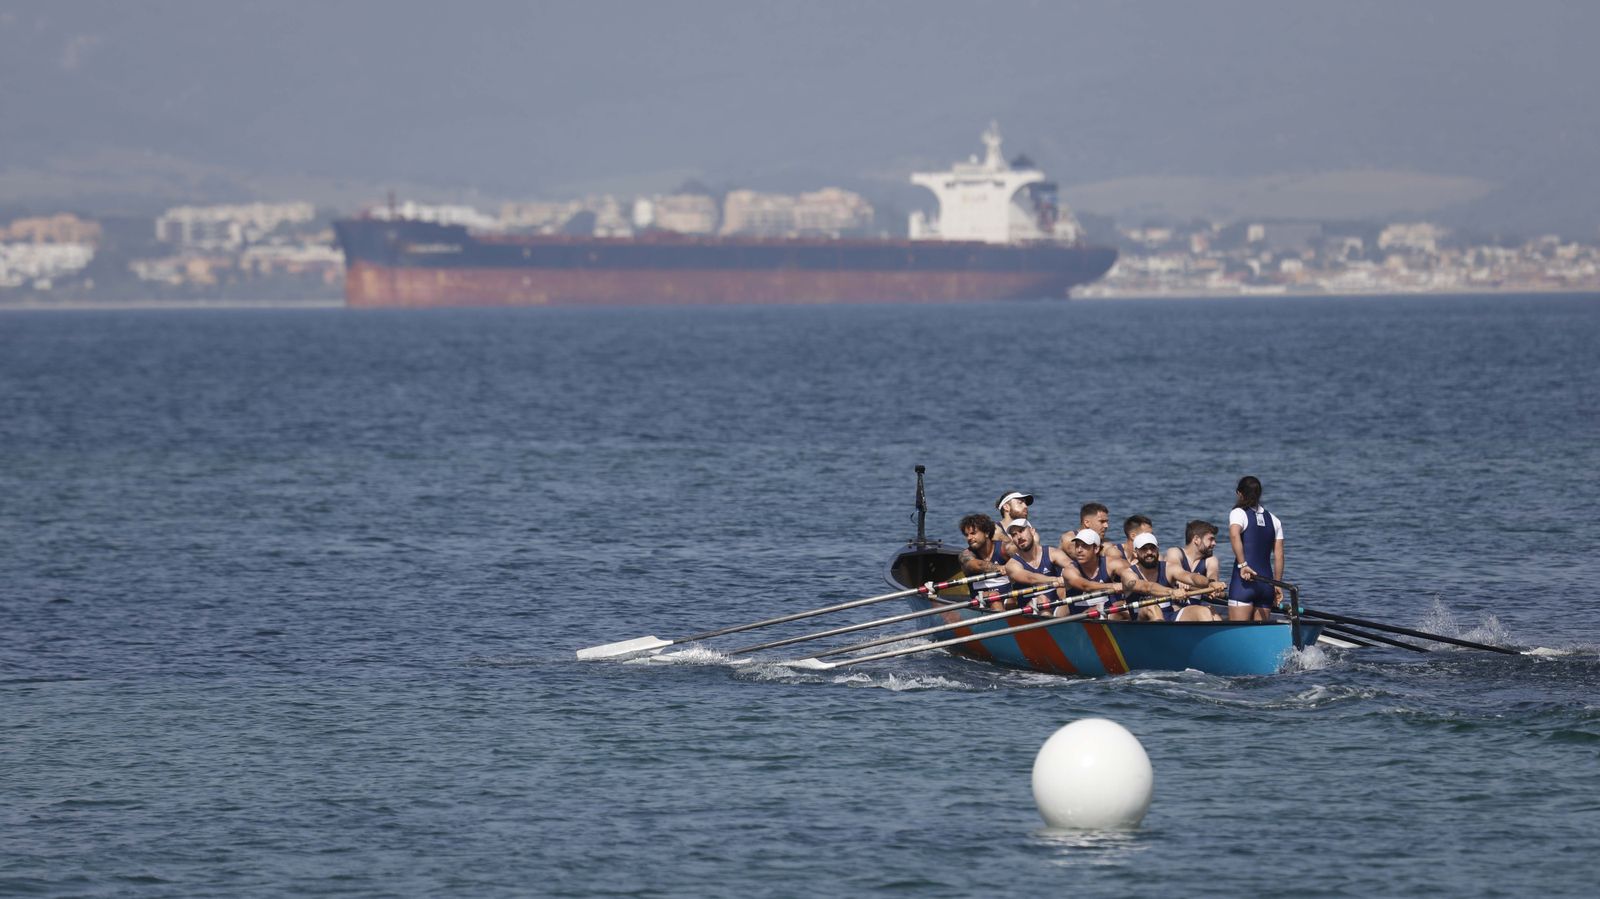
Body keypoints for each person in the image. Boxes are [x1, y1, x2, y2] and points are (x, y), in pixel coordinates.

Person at [1124, 532, 1218, 622]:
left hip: (1169, 617)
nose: (1149, 552)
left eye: (1152, 548)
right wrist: (1171, 592)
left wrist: (1209, 583)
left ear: (1157, 549)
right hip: (1141, 620)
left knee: (1203, 611)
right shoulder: (1128, 574)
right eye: (1144, 549)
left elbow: (1191, 577)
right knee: (1151, 606)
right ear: (1135, 553)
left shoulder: (1169, 568)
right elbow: (1147, 587)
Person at [1228, 475, 1284, 622]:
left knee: (1238, 632)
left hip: (1244, 583)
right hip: (1267, 585)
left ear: (1239, 493)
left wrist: (1243, 565)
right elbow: (1279, 556)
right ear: (1259, 494)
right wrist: (1277, 584)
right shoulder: (1275, 520)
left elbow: (1234, 535)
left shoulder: (1238, 513)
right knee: (1259, 633)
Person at [1000, 519, 1070, 612]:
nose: (1019, 537)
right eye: (1014, 535)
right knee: (1042, 600)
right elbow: (1031, 578)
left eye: (1021, 531)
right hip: (1029, 610)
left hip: (1057, 608)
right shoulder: (1012, 565)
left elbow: (1072, 566)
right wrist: (1056, 580)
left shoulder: (1053, 553)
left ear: (1032, 531)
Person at [1057, 528, 1127, 618]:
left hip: (1107, 615)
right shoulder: (1070, 570)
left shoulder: (1112, 564)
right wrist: (1113, 586)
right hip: (1080, 620)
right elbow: (1086, 586)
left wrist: (1129, 582)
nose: (1079, 550)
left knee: (1122, 607)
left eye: (1084, 546)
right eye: (1077, 546)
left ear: (1096, 549)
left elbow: (1134, 575)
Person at [957, 513, 1011, 611]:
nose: (969, 538)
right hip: (981, 602)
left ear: (986, 533)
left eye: (973, 533)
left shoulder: (1004, 549)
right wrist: (999, 568)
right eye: (967, 535)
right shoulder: (965, 555)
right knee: (994, 597)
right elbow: (978, 565)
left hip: (1008, 598)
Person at [1166, 519, 1222, 590]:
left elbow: (1213, 575)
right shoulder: (1175, 552)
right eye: (1211, 539)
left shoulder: (1211, 559)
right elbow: (1176, 569)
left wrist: (1213, 584)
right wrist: (1181, 578)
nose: (1214, 543)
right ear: (1196, 539)